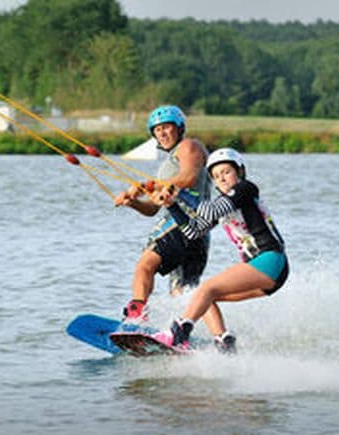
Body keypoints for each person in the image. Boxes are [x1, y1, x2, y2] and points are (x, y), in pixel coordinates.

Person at [149, 148, 289, 353]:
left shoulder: (245, 189)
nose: (221, 178)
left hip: (270, 259)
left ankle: (178, 333)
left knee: (207, 289)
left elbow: (210, 210)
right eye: (216, 176)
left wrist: (179, 192)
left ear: (239, 172)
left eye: (226, 172)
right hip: (267, 271)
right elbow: (192, 232)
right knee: (205, 297)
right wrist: (172, 206)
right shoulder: (221, 205)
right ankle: (224, 343)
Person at [114, 105, 211, 323]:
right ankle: (213, 337)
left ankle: (136, 319)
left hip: (183, 221)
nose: (162, 133)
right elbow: (153, 209)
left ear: (179, 128)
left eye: (166, 127)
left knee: (145, 265)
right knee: (184, 294)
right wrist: (133, 202)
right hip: (199, 234)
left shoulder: (189, 146)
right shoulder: (165, 169)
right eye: (157, 130)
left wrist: (146, 185)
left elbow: (188, 178)